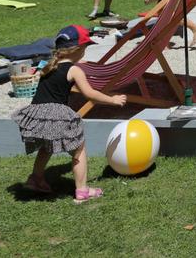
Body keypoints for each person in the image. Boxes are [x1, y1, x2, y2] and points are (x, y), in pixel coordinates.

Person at [10, 25, 127, 202]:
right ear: (78, 49)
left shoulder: (48, 67)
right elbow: (90, 94)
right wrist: (113, 99)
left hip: (37, 114)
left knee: (46, 146)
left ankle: (36, 179)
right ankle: (82, 190)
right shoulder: (74, 70)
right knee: (79, 150)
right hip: (57, 114)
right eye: (85, 47)